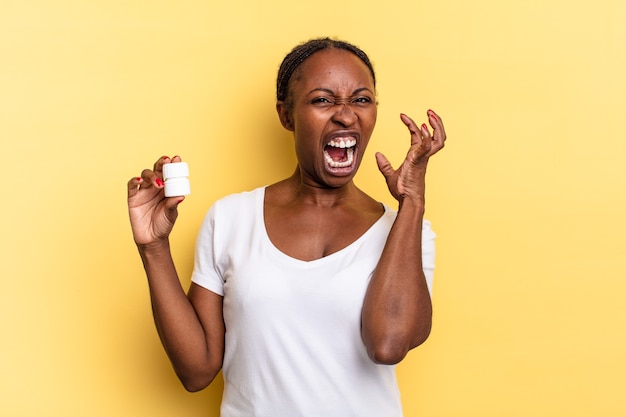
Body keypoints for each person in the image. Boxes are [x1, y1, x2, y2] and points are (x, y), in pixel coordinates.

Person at [127, 37, 446, 416]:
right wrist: (153, 248)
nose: (346, 115)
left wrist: (412, 202)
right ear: (286, 114)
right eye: (323, 100)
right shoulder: (230, 218)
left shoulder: (408, 232)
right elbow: (196, 371)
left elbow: (387, 345)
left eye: (361, 99)